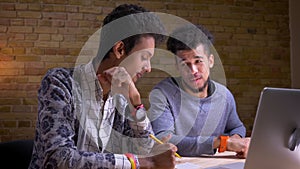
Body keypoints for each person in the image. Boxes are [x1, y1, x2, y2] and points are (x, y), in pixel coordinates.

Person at [28, 4, 177, 169]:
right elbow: (58, 158)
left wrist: (135, 102)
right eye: (144, 57)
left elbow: (147, 149)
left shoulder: (123, 96)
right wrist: (143, 162)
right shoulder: (60, 83)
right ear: (120, 49)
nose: (148, 67)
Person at [149, 24, 250, 158]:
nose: (193, 71)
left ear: (211, 61)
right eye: (185, 64)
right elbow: (163, 139)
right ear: (176, 67)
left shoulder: (224, 95)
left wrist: (236, 139)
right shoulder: (162, 94)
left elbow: (236, 127)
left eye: (198, 61)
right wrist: (221, 142)